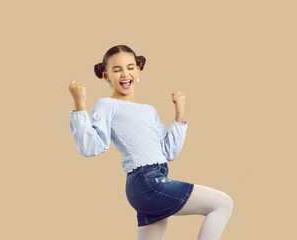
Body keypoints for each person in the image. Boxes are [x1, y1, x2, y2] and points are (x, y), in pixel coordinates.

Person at [68, 45, 233, 240]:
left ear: (138, 71)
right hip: (147, 181)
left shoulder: (149, 110)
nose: (124, 74)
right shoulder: (107, 105)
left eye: (130, 67)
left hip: (152, 180)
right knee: (223, 204)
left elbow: (168, 152)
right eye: (116, 69)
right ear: (106, 77)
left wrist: (179, 115)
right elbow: (91, 147)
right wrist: (80, 106)